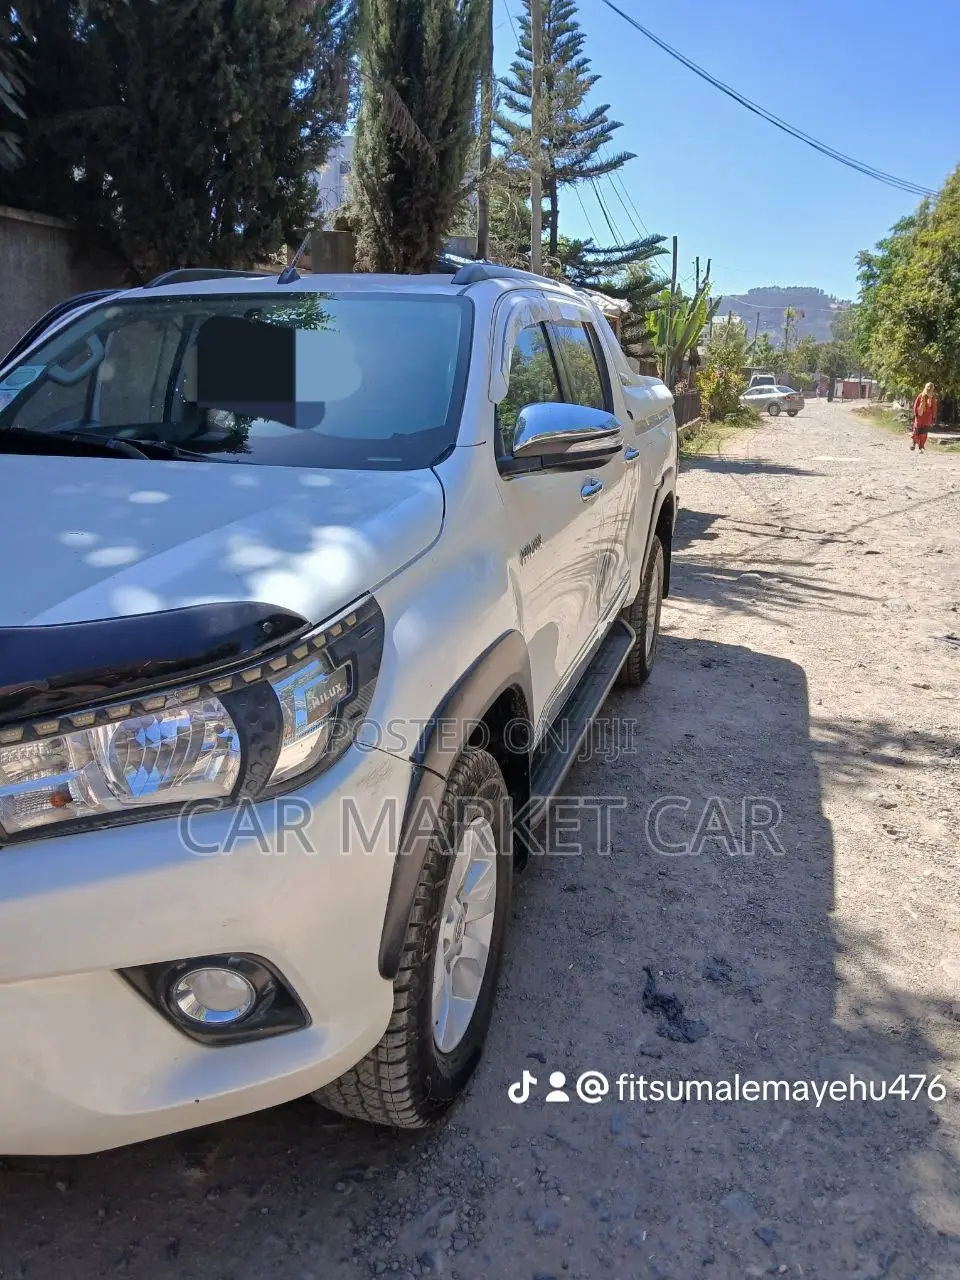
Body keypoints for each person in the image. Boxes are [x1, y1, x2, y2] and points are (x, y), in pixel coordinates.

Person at [911, 382, 937, 452]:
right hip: (926, 417)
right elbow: (934, 408)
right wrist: (933, 418)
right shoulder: (932, 397)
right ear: (932, 389)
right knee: (923, 432)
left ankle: (915, 444)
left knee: (917, 430)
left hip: (920, 416)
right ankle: (920, 446)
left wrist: (915, 414)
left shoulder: (921, 395)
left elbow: (915, 406)